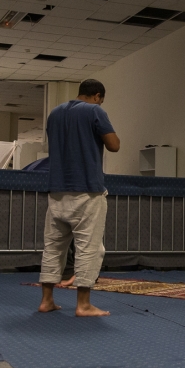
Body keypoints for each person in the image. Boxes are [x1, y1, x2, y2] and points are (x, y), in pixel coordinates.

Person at [38, 78, 120, 317]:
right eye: (100, 100)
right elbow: (114, 145)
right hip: (87, 190)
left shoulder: (55, 113)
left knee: (53, 247)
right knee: (88, 248)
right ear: (97, 96)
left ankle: (46, 300)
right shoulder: (95, 110)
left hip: (57, 190)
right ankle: (83, 304)